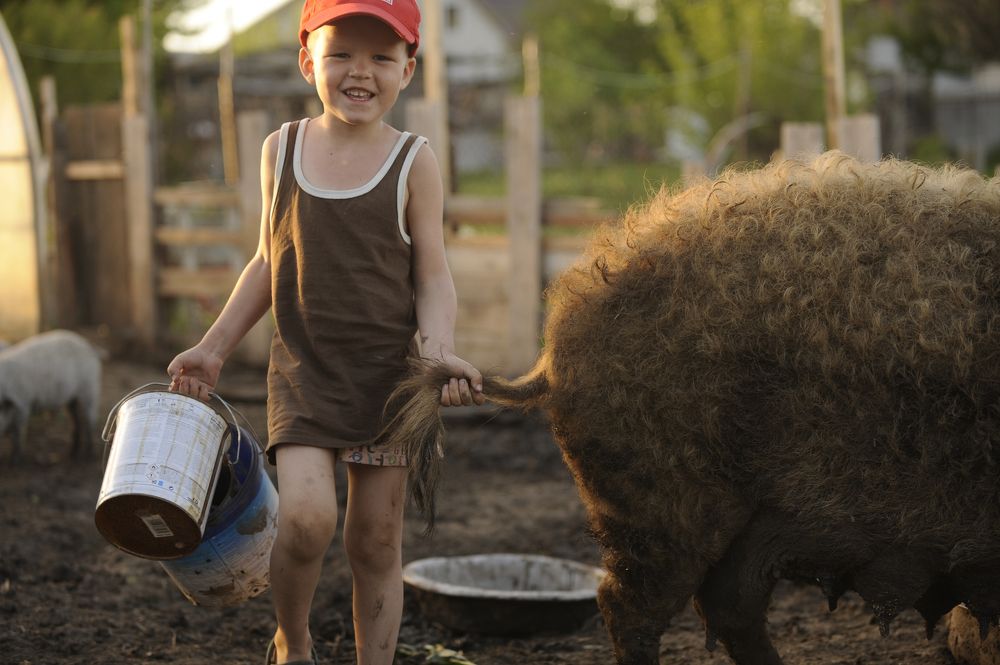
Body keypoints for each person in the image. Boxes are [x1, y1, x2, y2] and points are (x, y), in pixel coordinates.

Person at [166, 1, 484, 662]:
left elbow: (433, 275)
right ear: (309, 59)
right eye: (341, 52)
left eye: (380, 57)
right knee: (307, 519)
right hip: (306, 375)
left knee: (374, 540)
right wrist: (213, 346)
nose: (358, 71)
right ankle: (294, 638)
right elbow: (265, 260)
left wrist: (440, 351)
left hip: (389, 385)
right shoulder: (279, 150)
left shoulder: (413, 161)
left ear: (408, 70)